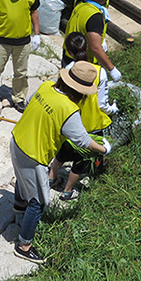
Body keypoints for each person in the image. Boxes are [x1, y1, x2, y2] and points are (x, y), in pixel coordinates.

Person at [11, 61, 110, 264]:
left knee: (21, 177)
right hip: (33, 154)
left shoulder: (47, 86)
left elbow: (29, 105)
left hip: (17, 140)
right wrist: (104, 148)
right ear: (82, 92)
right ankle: (24, 245)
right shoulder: (69, 110)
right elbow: (82, 140)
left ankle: (19, 207)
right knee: (39, 201)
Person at [48, 32, 117, 202]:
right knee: (82, 159)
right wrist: (112, 109)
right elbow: (102, 105)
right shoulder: (99, 72)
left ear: (69, 51)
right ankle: (67, 190)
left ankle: (50, 179)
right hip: (93, 124)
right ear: (86, 47)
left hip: (70, 121)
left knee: (62, 152)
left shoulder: (65, 72)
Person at [63, 0, 121, 83]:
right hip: (82, 64)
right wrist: (112, 69)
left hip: (68, 54)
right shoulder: (95, 16)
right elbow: (95, 48)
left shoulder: (81, 3)